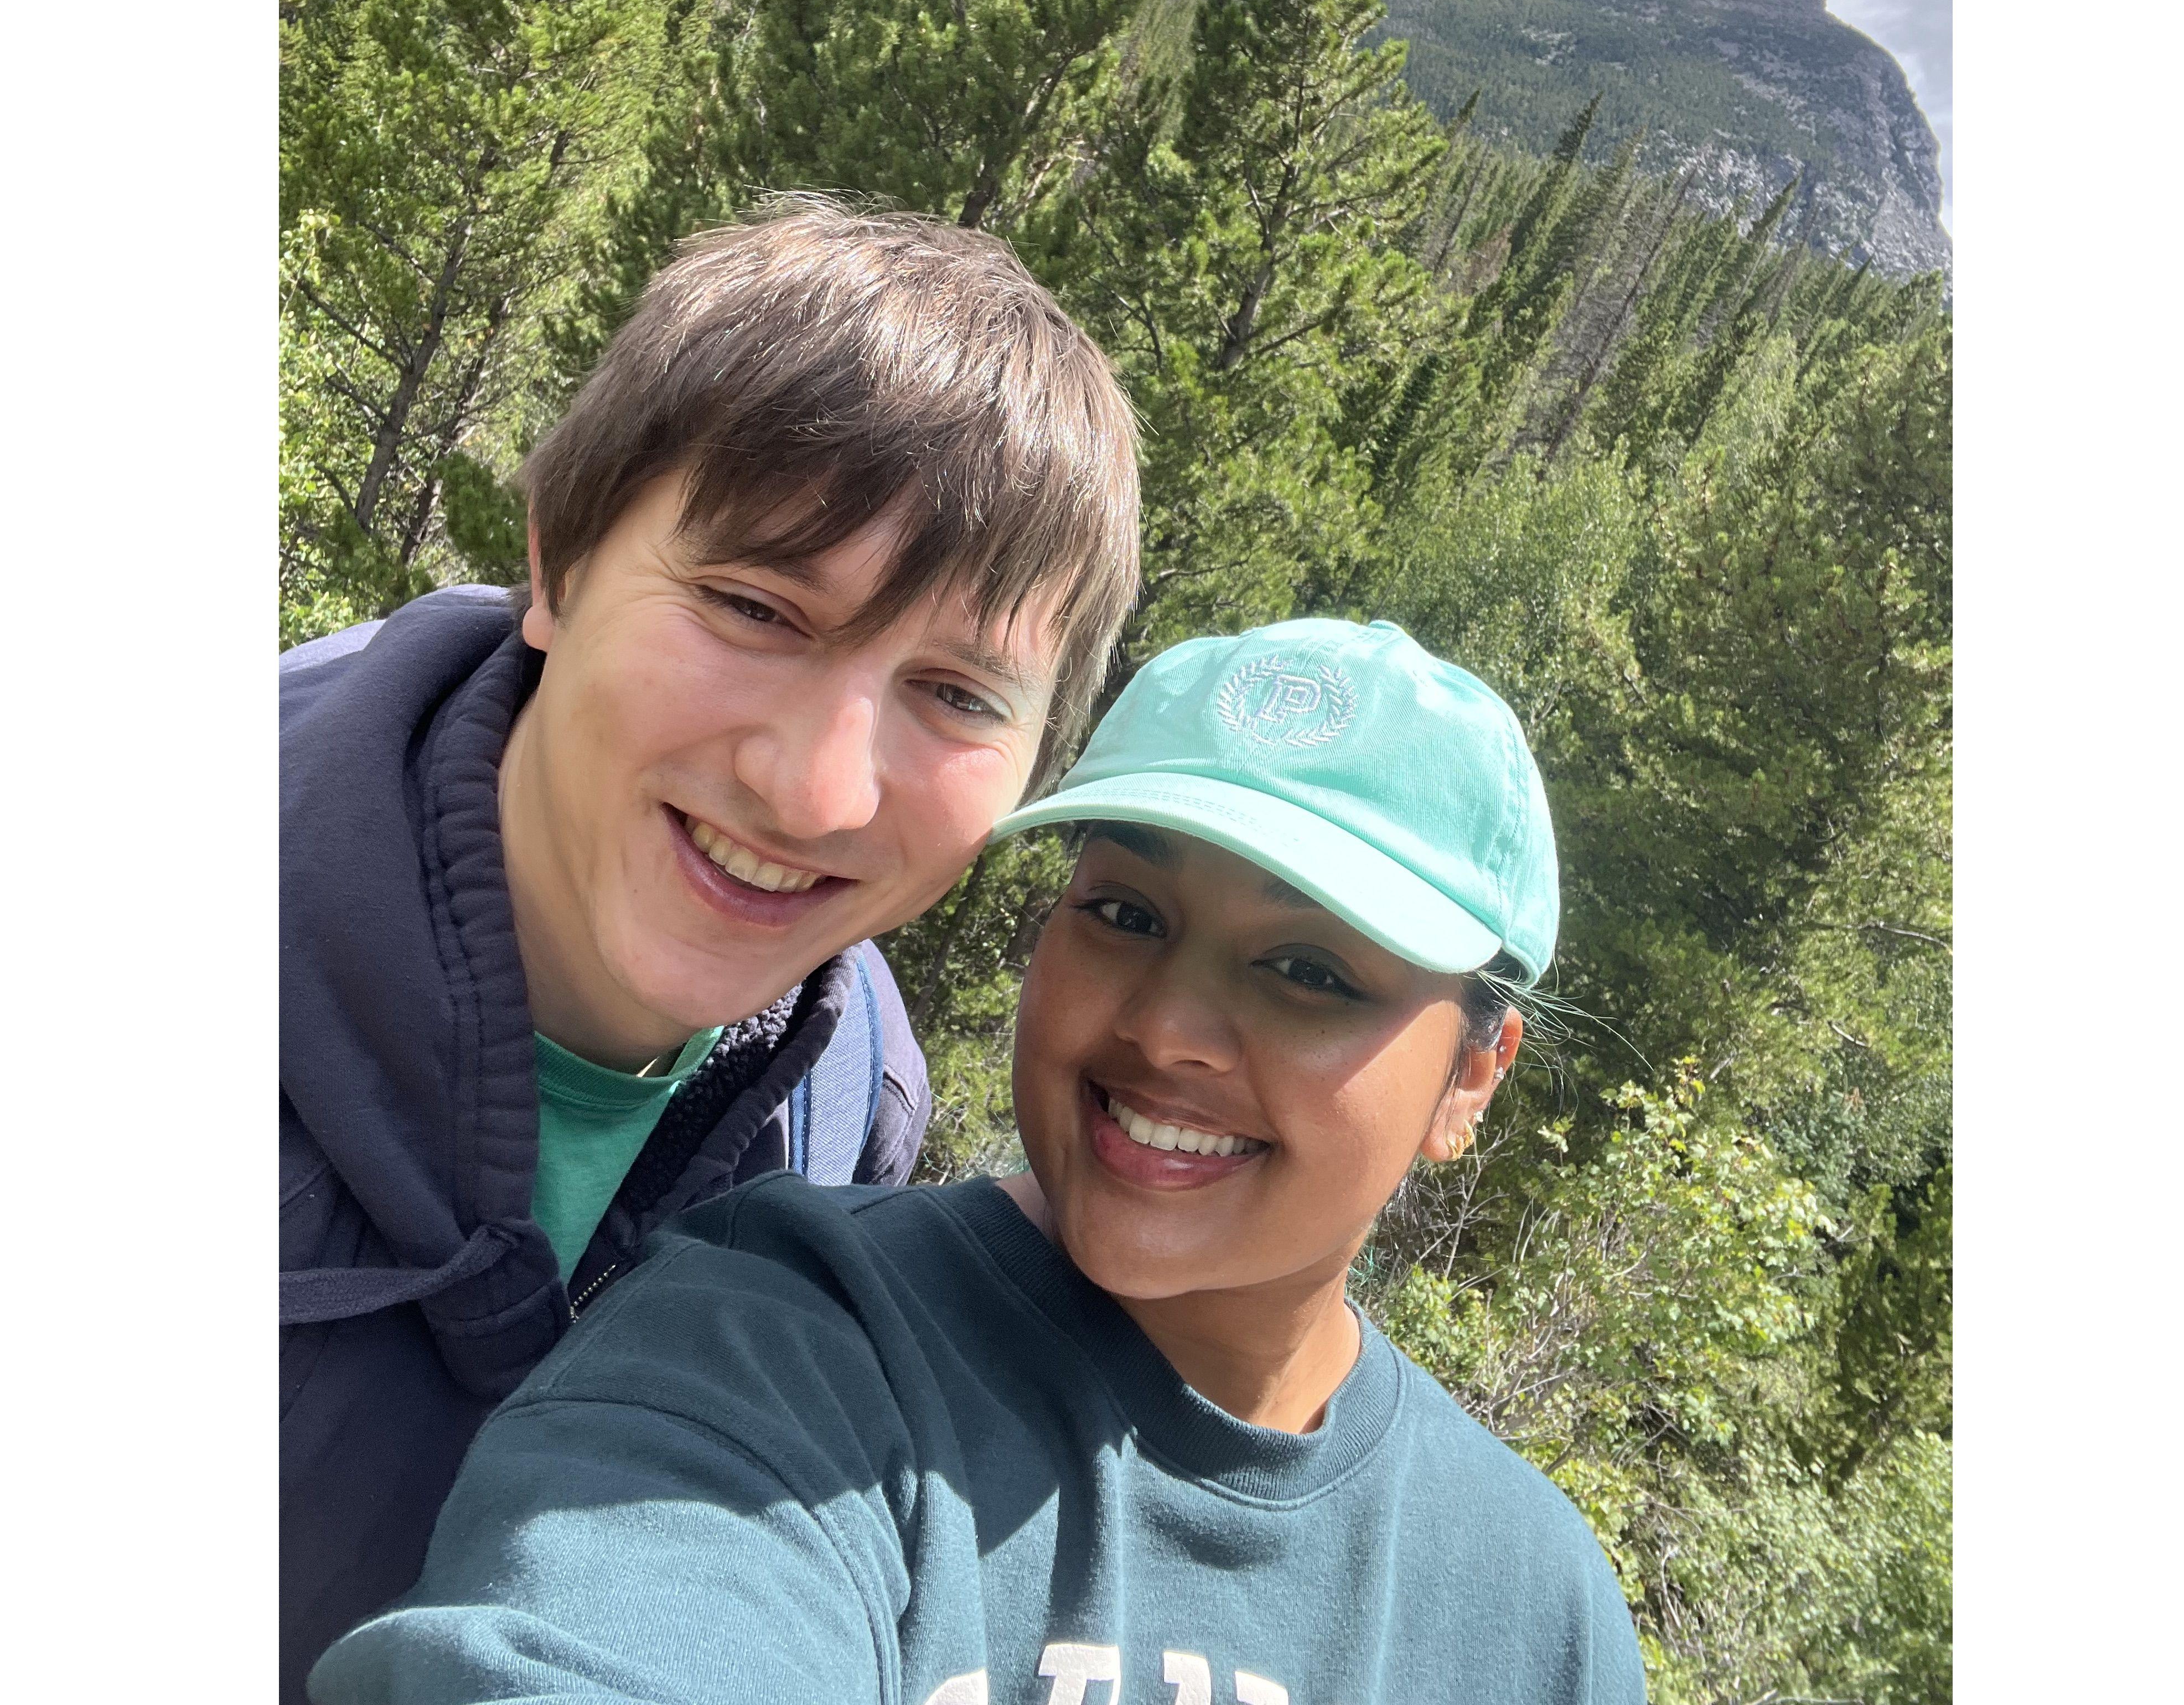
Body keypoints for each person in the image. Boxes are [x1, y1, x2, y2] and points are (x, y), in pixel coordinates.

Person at [311, 617, 1648, 1705]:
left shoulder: (1534, 1605)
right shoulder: (776, 1350)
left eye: (1308, 971)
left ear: (1472, 1074)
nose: (1167, 1028)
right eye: (1126, 913)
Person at [280, 201, 1143, 1701]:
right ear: (557, 565)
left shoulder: (846, 1095)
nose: (817, 789)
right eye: (755, 606)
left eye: (955, 696)